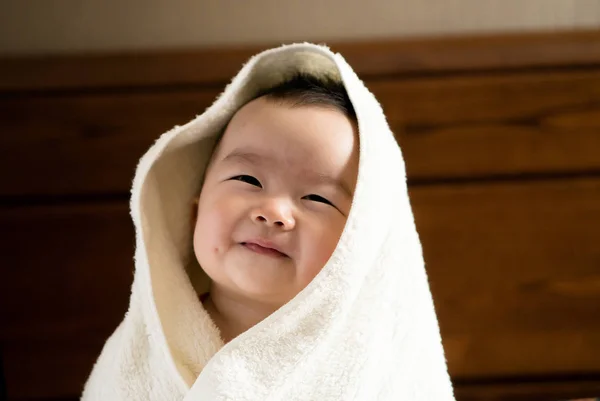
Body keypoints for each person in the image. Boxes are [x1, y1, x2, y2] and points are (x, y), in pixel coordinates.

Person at [82, 43, 455, 400]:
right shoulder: (147, 345)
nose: (273, 211)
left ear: (356, 250)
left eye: (317, 198)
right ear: (194, 213)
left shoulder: (373, 368)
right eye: (248, 180)